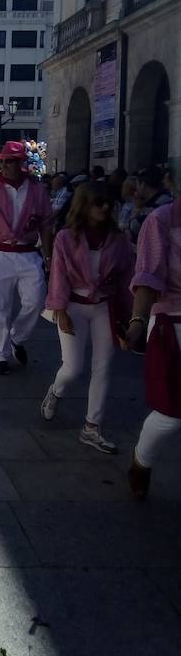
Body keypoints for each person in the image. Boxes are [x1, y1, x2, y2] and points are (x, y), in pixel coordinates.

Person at [41, 183, 134, 453]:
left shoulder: (119, 240)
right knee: (72, 368)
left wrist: (129, 317)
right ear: (84, 204)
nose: (104, 207)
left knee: (103, 366)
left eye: (108, 202)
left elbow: (127, 278)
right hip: (74, 305)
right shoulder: (66, 238)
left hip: (105, 306)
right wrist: (60, 310)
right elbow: (58, 276)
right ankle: (55, 392)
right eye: (98, 202)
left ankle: (92, 427)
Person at [0, 140, 53, 374]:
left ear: (22, 163)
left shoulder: (37, 190)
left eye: (12, 161)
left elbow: (46, 226)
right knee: (0, 307)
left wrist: (49, 257)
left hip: (28, 253)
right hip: (0, 254)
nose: (6, 165)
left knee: (36, 300)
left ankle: (17, 336)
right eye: (4, 161)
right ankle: (1, 355)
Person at [127, 194, 181, 498]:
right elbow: (147, 276)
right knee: (171, 415)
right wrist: (137, 320)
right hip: (173, 320)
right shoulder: (161, 220)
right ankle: (142, 460)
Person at [129, 166, 174, 246]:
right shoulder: (155, 201)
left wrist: (133, 219)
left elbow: (135, 226)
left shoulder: (160, 203)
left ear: (143, 184)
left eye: (137, 184)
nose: (136, 189)